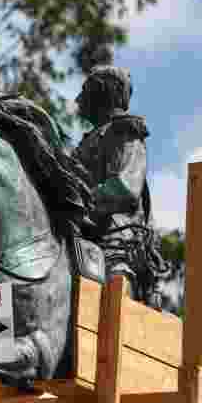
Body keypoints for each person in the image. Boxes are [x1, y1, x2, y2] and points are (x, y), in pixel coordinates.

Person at [72, 65, 163, 305]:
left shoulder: (125, 132)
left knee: (113, 280)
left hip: (115, 240)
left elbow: (127, 189)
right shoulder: (84, 144)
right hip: (79, 234)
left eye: (85, 91)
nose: (78, 99)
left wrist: (79, 204)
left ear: (102, 93)